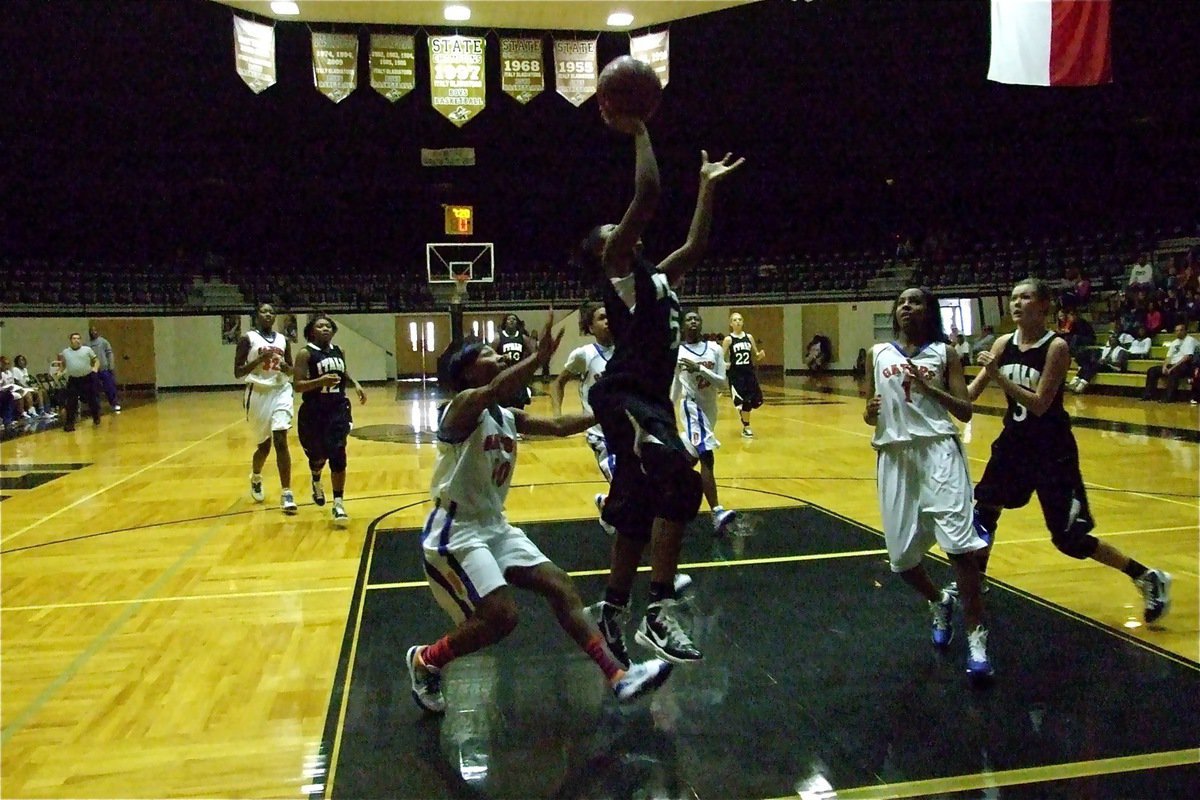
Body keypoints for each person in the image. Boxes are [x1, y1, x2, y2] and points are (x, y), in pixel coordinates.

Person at [406, 316, 672, 714]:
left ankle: (618, 677)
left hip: (494, 526)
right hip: (456, 531)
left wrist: (612, 407)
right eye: (488, 354)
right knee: (501, 617)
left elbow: (561, 425)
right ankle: (425, 659)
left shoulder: (506, 415)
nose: (497, 357)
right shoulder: (458, 409)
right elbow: (496, 387)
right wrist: (539, 358)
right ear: (465, 372)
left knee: (561, 587)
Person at [583, 109, 744, 667]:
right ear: (607, 249)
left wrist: (705, 187)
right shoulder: (618, 269)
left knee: (637, 509)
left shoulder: (655, 275)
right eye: (613, 229)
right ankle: (657, 612)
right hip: (623, 394)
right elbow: (647, 190)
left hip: (650, 400)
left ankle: (613, 606)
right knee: (681, 479)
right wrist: (639, 124)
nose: (622, 228)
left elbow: (696, 245)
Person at [967, 278, 1171, 624]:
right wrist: (931, 385)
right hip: (1013, 445)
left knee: (1069, 539)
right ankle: (974, 583)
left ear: (1044, 306)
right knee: (985, 509)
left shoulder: (1056, 346)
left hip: (1052, 451)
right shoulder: (1003, 343)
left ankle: (1146, 576)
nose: (1017, 303)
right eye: (1014, 297)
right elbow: (969, 395)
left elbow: (1040, 404)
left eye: (1026, 297)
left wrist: (999, 377)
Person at [864, 287, 991, 681]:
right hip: (894, 454)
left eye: (915, 301)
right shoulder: (877, 353)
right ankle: (939, 600)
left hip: (939, 450)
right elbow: (871, 411)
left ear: (928, 311)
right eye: (901, 301)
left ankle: (977, 638)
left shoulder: (945, 353)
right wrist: (868, 413)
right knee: (901, 560)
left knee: (959, 548)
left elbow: (965, 410)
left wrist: (928, 388)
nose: (906, 307)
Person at [292, 314, 367, 526]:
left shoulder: (339, 350)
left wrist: (356, 383)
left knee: (338, 453)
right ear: (312, 331)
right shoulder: (305, 354)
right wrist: (319, 381)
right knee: (318, 456)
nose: (325, 329)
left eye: (328, 326)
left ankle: (339, 503)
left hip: (337, 408)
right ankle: (316, 478)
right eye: (320, 326)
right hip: (314, 411)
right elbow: (297, 385)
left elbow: (343, 370)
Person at [550, 300, 617, 534]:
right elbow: (559, 382)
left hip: (629, 430)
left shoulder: (627, 351)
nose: (608, 320)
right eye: (601, 317)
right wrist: (557, 415)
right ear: (590, 327)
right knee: (627, 485)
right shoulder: (584, 354)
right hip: (600, 434)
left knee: (636, 487)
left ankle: (606, 504)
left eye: (610, 316)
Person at [674, 310, 738, 535]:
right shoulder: (678, 352)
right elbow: (675, 385)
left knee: (687, 460)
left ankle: (656, 490)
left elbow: (721, 383)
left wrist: (698, 368)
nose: (693, 322)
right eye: (688, 319)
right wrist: (665, 412)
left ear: (701, 324)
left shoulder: (715, 349)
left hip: (709, 409)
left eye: (696, 319)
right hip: (690, 407)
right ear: (682, 326)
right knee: (706, 455)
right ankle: (717, 511)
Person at [234, 303, 297, 514]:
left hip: (280, 389)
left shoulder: (283, 340)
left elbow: (290, 369)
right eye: (264, 311)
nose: (268, 314)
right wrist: (258, 360)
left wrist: (288, 368)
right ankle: (256, 475)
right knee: (264, 446)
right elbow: (237, 372)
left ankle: (287, 493)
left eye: (272, 311)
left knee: (281, 438)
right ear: (256, 316)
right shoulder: (247, 339)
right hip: (258, 392)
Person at [723, 311, 765, 437]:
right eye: (735, 320)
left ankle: (745, 417)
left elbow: (756, 355)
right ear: (731, 324)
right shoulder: (728, 339)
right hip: (736, 375)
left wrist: (760, 355)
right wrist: (725, 364)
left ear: (743, 322)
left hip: (749, 373)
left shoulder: (749, 337)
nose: (738, 322)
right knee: (745, 401)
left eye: (740, 319)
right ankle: (746, 426)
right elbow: (720, 356)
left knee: (757, 400)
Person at [1141, 323, 1196, 403]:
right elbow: (1168, 357)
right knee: (1152, 370)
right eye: (1177, 331)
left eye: (1181, 330)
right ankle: (1148, 395)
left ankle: (1168, 398)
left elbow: (1187, 357)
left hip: (1186, 365)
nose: (1179, 332)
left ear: (1185, 331)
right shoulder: (1174, 342)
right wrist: (1164, 366)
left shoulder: (1190, 340)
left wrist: (1171, 368)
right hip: (1173, 365)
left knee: (1174, 372)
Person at [57, 333, 100, 432]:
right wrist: (60, 371)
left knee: (92, 400)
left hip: (87, 378)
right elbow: (63, 364)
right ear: (70, 340)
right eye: (74, 338)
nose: (76, 340)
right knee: (71, 402)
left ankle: (96, 416)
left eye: (78, 338)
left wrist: (95, 368)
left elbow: (96, 360)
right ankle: (70, 424)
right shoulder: (65, 352)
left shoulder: (87, 350)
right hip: (74, 380)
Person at [491, 313, 536, 410]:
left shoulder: (523, 338)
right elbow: (491, 356)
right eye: (509, 319)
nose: (511, 321)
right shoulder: (498, 338)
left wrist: (526, 364)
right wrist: (501, 357)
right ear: (505, 323)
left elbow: (534, 354)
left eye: (514, 319)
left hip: (518, 376)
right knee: (504, 407)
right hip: (504, 376)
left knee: (519, 407)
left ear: (517, 323)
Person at [86, 326, 121, 413]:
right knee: (95, 389)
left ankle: (114, 403)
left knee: (110, 386)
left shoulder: (103, 342)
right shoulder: (87, 345)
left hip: (104, 369)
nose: (93, 332)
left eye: (95, 330)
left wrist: (111, 366)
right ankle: (97, 407)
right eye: (91, 331)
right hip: (93, 370)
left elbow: (109, 354)